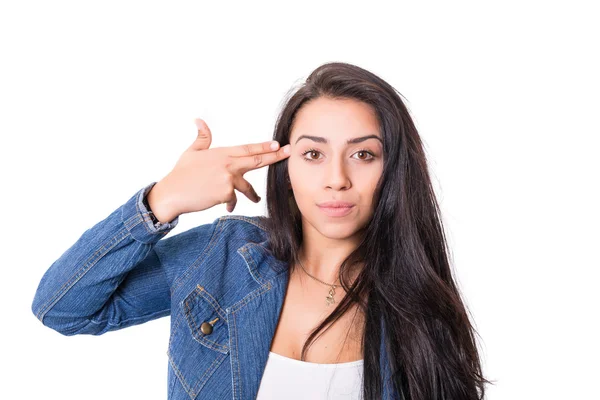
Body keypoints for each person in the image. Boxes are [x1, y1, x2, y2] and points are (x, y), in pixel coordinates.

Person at [31, 62, 490, 399]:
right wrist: (161, 201)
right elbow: (63, 309)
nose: (336, 178)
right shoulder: (223, 255)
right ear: (285, 167)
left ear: (393, 169)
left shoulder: (423, 311)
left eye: (363, 154)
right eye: (313, 154)